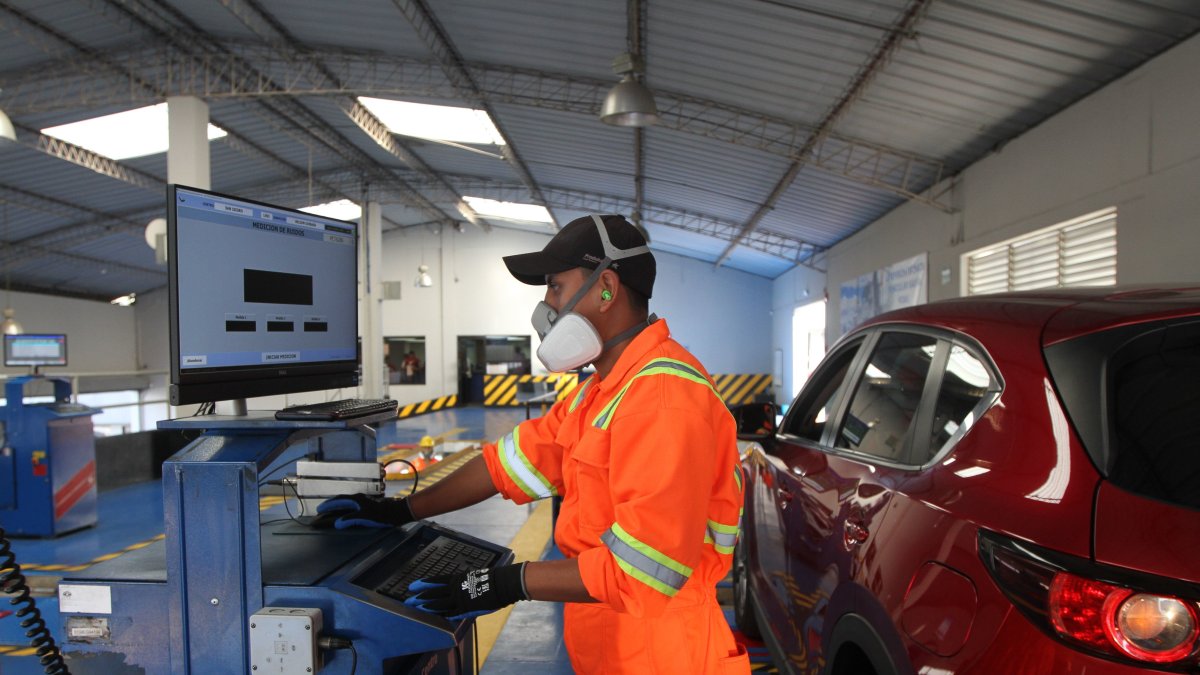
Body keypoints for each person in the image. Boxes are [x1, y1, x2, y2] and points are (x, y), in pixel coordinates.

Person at [319, 214, 750, 674]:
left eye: (555, 287)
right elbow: (506, 463)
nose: (547, 306)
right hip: (618, 643)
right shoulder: (603, 391)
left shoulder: (663, 400)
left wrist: (507, 583)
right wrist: (402, 510)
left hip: (666, 653)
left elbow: (642, 573)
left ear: (606, 289)